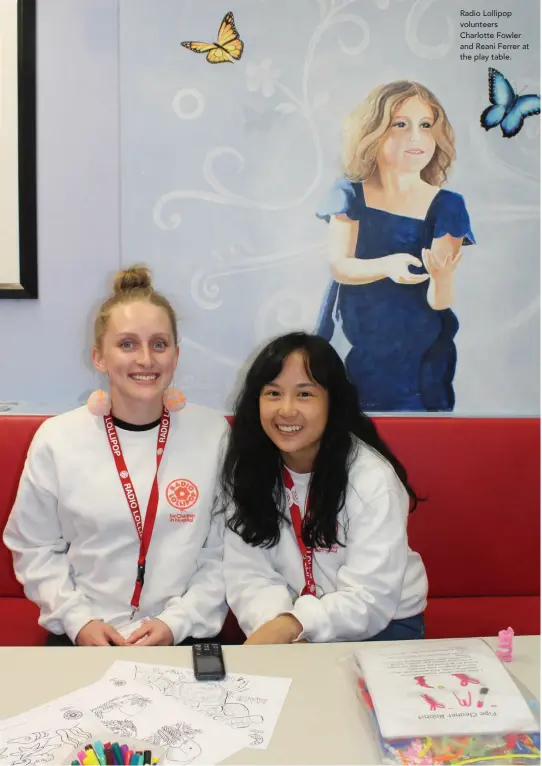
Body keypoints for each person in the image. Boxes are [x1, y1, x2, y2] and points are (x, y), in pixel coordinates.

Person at [4, 266, 228, 646]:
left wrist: (178, 621)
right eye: (127, 344)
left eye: (159, 344)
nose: (145, 359)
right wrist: (79, 621)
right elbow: (33, 546)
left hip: (179, 635)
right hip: (84, 635)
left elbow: (225, 550)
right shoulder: (58, 439)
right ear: (99, 357)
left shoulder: (213, 434)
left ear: (176, 355)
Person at [221, 332, 428, 644]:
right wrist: (279, 624)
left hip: (382, 625)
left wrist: (296, 625)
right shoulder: (250, 469)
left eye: (305, 394)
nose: (287, 410)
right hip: (290, 623)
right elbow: (249, 575)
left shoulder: (372, 479)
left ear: (333, 402)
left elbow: (370, 598)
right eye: (273, 393)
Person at [316, 80, 475, 412]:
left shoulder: (448, 206)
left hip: (420, 352)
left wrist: (442, 279)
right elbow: (339, 265)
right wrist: (386, 266)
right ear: (373, 131)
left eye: (426, 125)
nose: (416, 137)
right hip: (357, 342)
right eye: (400, 124)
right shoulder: (349, 192)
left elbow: (439, 301)